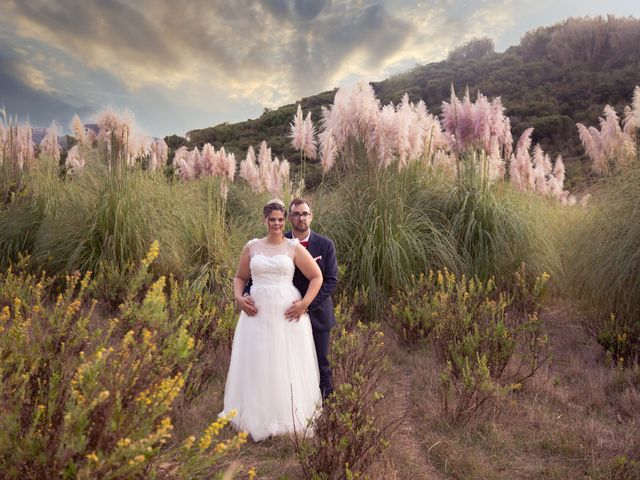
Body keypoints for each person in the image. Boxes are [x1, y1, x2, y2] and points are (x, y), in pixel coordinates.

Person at [221, 199, 323, 441]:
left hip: (286, 313)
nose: (276, 223)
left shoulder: (293, 247)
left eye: (280, 219)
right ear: (264, 220)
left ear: (284, 219)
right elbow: (240, 277)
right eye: (272, 219)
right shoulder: (252, 247)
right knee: (258, 360)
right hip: (256, 313)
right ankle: (255, 413)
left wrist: (305, 303)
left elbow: (316, 276)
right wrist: (238, 298)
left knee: (284, 361)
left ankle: (286, 415)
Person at [284, 198, 338, 400]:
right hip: (288, 314)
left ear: (311, 216)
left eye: (305, 214)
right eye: (296, 214)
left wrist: (306, 305)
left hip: (318, 313)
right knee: (293, 362)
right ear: (290, 217)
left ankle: (327, 405)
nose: (301, 218)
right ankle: (297, 402)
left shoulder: (325, 245)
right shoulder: (281, 242)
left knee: (321, 360)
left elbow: (331, 280)